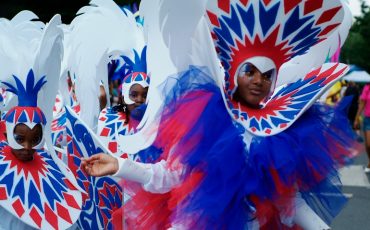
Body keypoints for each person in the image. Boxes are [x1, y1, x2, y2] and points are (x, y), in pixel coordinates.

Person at [82, 0, 360, 229]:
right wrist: (120, 166)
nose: (258, 81)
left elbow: (289, 199)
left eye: (267, 75)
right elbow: (170, 174)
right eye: (249, 71)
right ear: (235, 72)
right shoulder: (208, 117)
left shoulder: (283, 129)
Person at [0, 12, 83, 229]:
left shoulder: (56, 175)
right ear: (7, 133)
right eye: (19, 138)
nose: (27, 147)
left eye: (35, 139)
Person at [354, 83, 370, 173]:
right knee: (368, 144)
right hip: (368, 119)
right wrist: (356, 118)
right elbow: (362, 104)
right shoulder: (367, 87)